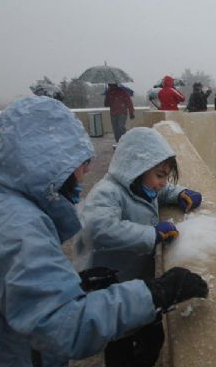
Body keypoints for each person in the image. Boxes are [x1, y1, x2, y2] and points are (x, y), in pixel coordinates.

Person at [0, 97, 208, 367]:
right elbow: (65, 326)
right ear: (47, 161)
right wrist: (156, 293)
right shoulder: (14, 229)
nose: (86, 171)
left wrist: (178, 192)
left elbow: (22, 299)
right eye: (79, 161)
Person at [72, 127, 203, 365]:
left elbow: (159, 194)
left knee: (150, 335)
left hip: (136, 280)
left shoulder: (141, 187)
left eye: (166, 177)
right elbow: (98, 229)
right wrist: (151, 234)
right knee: (122, 343)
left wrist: (180, 193)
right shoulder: (108, 192)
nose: (163, 183)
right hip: (112, 282)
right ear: (136, 169)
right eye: (160, 176)